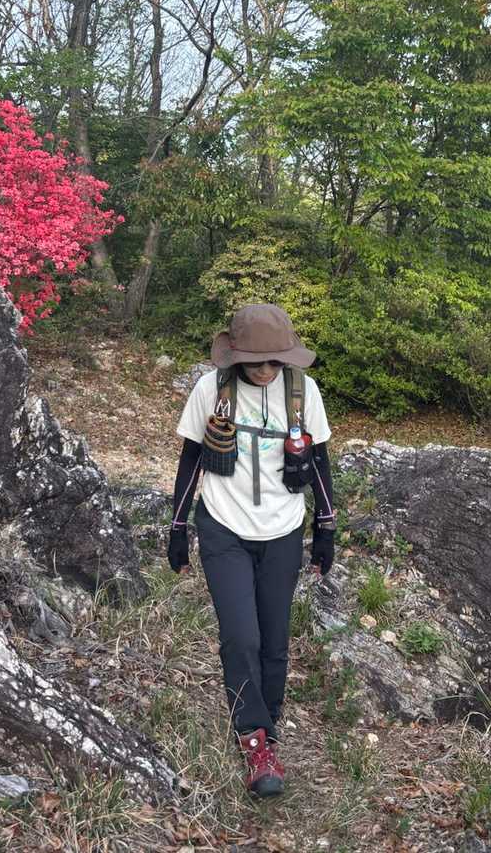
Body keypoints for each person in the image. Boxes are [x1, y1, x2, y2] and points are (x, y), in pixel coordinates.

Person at [167, 303, 336, 798]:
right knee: (241, 637)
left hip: (283, 529)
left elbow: (320, 461)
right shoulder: (211, 390)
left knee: (274, 641)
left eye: (275, 361)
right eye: (256, 362)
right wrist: (177, 527)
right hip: (223, 527)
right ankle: (255, 740)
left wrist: (326, 528)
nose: (265, 371)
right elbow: (191, 459)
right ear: (236, 358)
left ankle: (269, 726)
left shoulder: (303, 392)